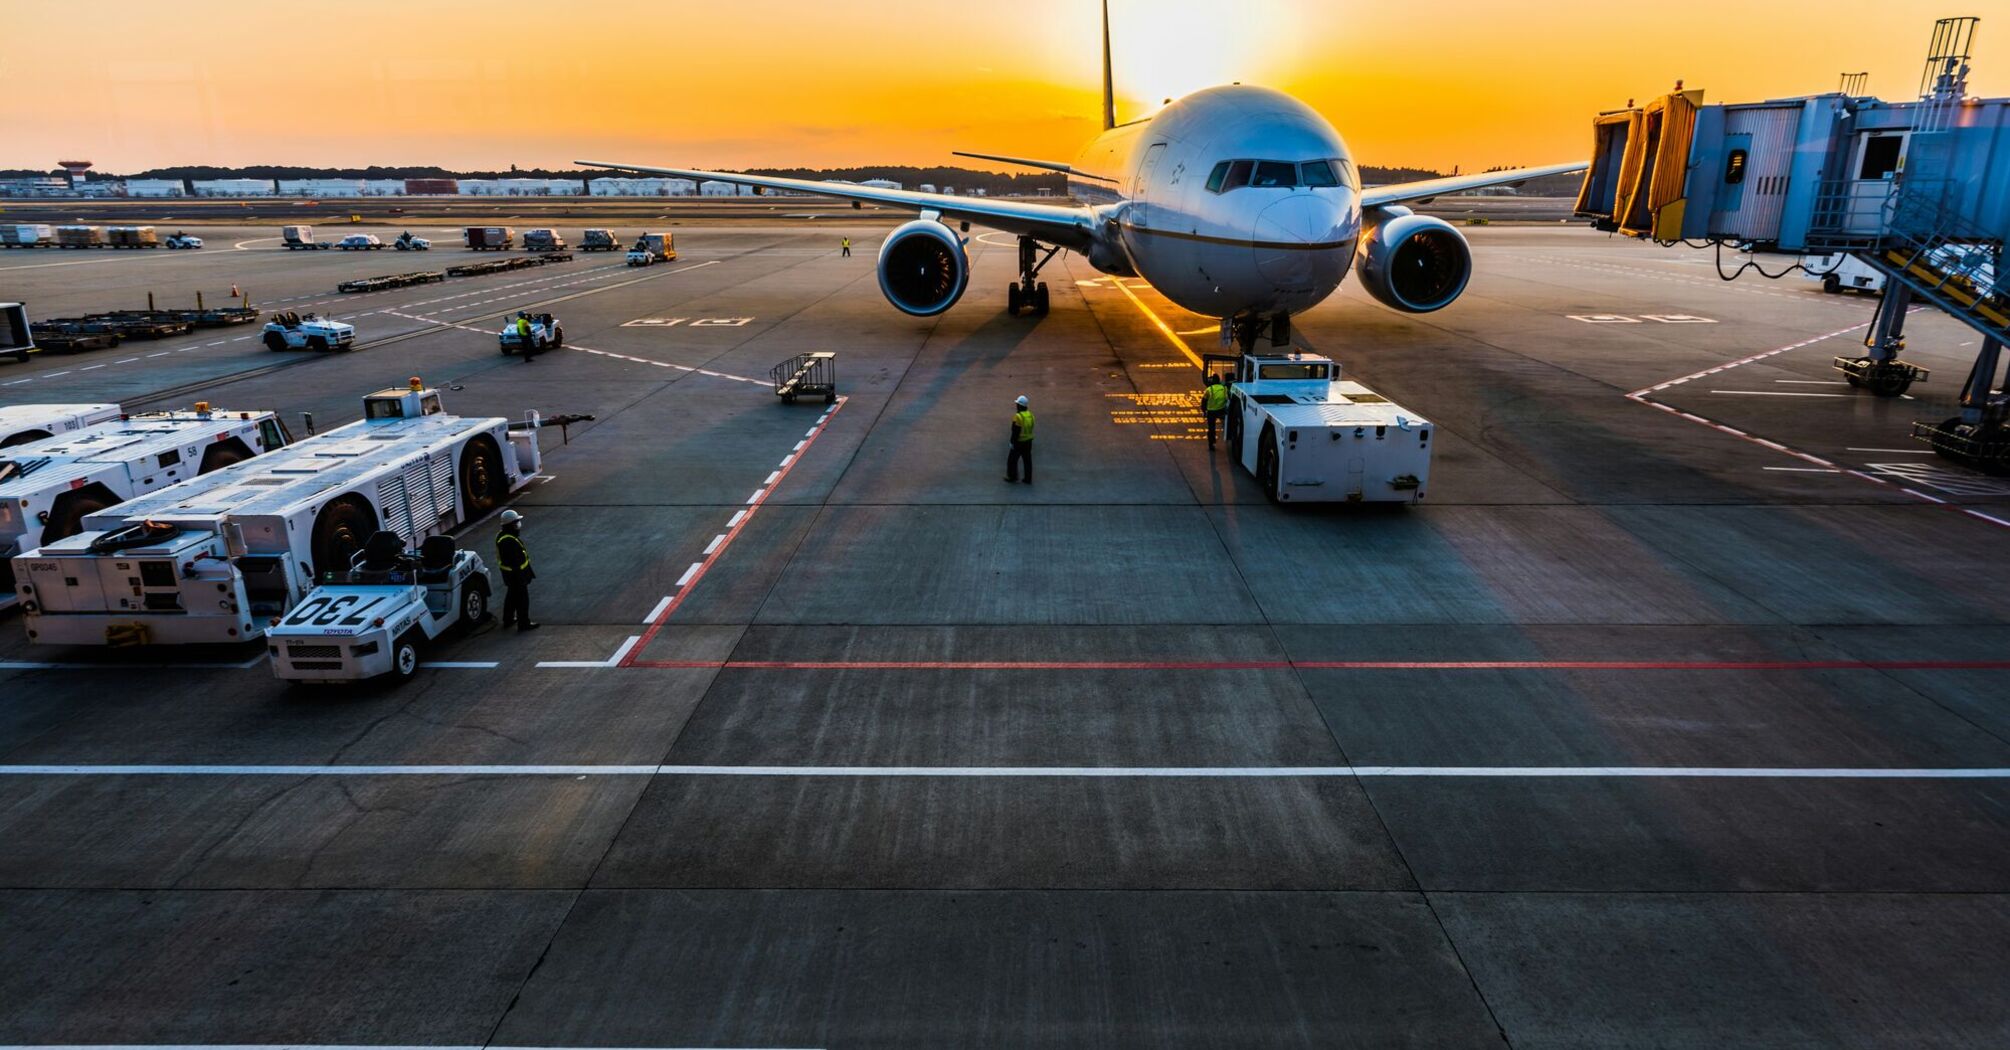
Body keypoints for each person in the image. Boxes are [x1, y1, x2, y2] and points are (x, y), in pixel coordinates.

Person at [495, 509, 537, 630]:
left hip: (510, 574)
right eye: (516, 524)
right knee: (522, 600)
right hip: (516, 575)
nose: (518, 527)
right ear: (510, 525)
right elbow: (514, 562)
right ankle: (523, 623)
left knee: (511, 596)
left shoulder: (502, 536)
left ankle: (508, 619)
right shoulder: (508, 541)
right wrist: (521, 577)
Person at [1005, 395, 1034, 484]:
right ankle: (1027, 478)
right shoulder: (1031, 415)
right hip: (1028, 441)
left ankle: (1012, 477)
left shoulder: (1018, 416)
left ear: (1020, 406)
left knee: (1012, 460)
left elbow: (1015, 431)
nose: (1016, 406)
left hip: (1019, 442)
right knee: (1027, 461)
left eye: (1017, 404)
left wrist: (1012, 442)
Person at [1201, 374, 1229, 449]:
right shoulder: (1224, 388)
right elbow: (1227, 398)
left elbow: (1204, 401)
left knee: (1211, 428)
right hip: (1221, 410)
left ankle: (1211, 443)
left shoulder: (1209, 389)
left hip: (1211, 411)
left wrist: (1204, 411)